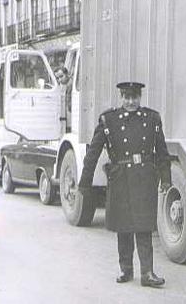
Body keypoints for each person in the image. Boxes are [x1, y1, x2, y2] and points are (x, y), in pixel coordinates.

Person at [78, 81, 172, 288]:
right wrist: (84, 183)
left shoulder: (152, 118)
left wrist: (166, 179)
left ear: (140, 98)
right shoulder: (108, 120)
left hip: (145, 177)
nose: (131, 102)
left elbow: (163, 153)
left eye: (135, 97)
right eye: (127, 98)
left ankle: (147, 273)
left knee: (144, 225)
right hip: (120, 177)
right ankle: (126, 269)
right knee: (124, 225)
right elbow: (92, 154)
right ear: (121, 97)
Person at [54, 66, 72, 133]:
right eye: (58, 78)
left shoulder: (71, 85)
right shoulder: (64, 86)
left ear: (67, 74)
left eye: (61, 76)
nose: (60, 80)